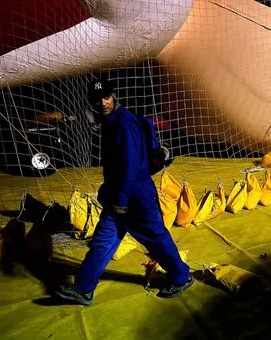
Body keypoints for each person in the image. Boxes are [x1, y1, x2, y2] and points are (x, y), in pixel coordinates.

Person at [53, 78, 193, 305]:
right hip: (117, 195)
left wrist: (121, 200)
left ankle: (181, 276)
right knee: (103, 241)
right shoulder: (109, 121)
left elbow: (131, 167)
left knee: (155, 238)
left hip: (135, 197)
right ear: (91, 101)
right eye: (97, 99)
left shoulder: (125, 124)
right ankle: (83, 289)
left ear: (113, 95)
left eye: (106, 96)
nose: (102, 102)